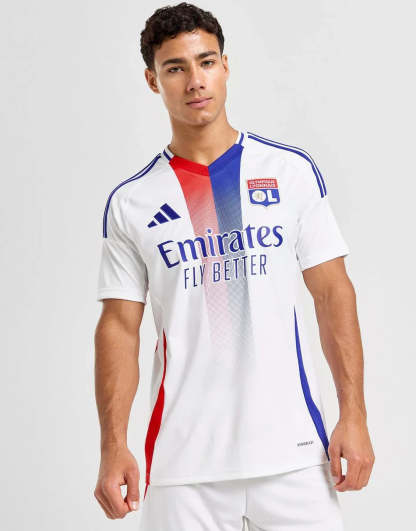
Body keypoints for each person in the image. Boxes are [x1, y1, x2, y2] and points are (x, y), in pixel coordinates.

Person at [93, 3, 375, 529]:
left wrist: (353, 415)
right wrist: (113, 446)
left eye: (206, 62)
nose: (195, 81)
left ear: (225, 66)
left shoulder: (290, 172)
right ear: (153, 81)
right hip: (183, 464)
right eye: (175, 68)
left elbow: (333, 292)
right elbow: (119, 327)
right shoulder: (132, 202)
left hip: (294, 454)